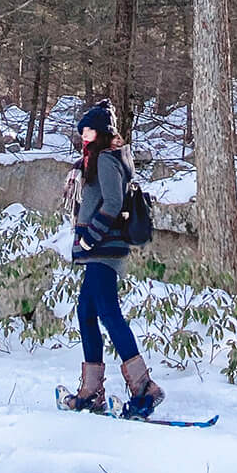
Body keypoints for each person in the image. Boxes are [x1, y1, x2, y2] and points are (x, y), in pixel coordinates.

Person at [60, 100, 164, 418]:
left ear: (103, 133)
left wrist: (90, 237)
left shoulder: (106, 160)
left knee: (107, 314)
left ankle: (144, 388)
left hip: (103, 249)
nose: (84, 135)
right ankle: (91, 391)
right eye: (82, 130)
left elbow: (114, 201)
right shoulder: (95, 160)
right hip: (100, 250)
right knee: (87, 314)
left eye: (89, 129)